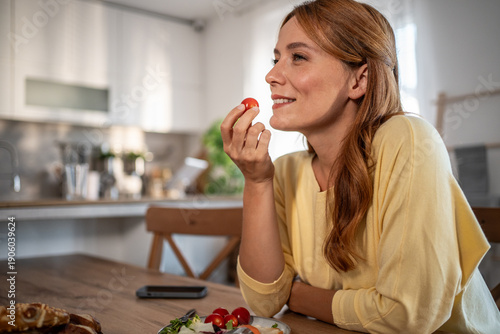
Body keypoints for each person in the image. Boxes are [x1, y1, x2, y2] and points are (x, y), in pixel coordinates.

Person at [220, 0, 500, 333]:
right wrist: (257, 181)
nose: (271, 75)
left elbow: (409, 315)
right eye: (275, 58)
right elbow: (265, 302)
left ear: (360, 79)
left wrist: (295, 295)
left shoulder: (408, 139)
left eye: (298, 57)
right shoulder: (285, 171)